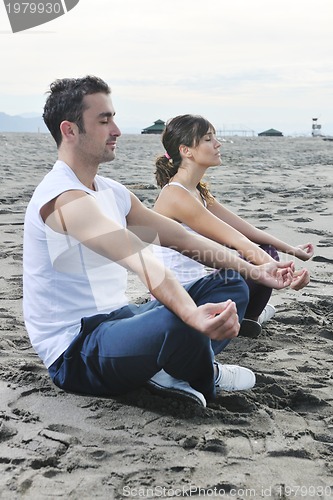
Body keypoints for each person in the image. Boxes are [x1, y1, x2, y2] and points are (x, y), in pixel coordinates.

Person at [23, 76, 294, 409]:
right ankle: (201, 372)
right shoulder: (62, 199)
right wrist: (191, 316)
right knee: (178, 320)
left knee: (230, 284)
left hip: (121, 320)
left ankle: (170, 365)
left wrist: (257, 270)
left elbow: (180, 238)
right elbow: (142, 261)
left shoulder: (111, 191)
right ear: (70, 130)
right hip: (78, 350)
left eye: (114, 118)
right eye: (104, 120)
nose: (117, 130)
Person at [153, 114, 313, 337]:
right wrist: (287, 275)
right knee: (254, 260)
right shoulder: (175, 195)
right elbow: (236, 240)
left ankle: (246, 319)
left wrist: (293, 251)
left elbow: (247, 232)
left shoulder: (196, 191)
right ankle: (245, 318)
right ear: (186, 150)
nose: (217, 144)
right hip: (180, 300)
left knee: (265, 251)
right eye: (208, 139)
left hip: (197, 289)